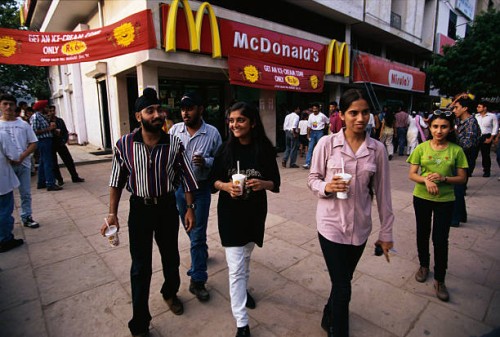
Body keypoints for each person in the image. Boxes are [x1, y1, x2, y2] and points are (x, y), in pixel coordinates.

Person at [100, 88, 198, 337]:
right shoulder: (124, 144)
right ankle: (140, 322)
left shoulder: (174, 144)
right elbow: (116, 179)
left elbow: (187, 178)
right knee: (140, 267)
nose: (157, 114)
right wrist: (112, 214)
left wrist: (189, 208)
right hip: (139, 210)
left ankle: (170, 292)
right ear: (138, 116)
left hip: (166, 207)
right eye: (150, 111)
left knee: (171, 258)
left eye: (159, 110)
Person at [308, 89, 394, 337]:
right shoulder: (326, 144)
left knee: (342, 279)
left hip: (360, 229)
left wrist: (386, 232)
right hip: (330, 225)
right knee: (344, 286)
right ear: (342, 115)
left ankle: (328, 315)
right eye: (353, 113)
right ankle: (338, 330)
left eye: (365, 112)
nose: (360, 118)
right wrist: (327, 186)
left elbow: (383, 195)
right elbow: (312, 179)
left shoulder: (377, 150)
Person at [211, 102, 280, 337]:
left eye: (239, 120)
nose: (234, 125)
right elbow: (213, 181)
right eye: (231, 120)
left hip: (254, 215)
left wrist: (263, 184)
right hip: (230, 216)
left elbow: (275, 183)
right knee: (236, 269)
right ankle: (242, 322)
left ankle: (243, 291)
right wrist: (226, 185)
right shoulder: (224, 150)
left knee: (246, 257)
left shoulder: (264, 149)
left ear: (252, 122)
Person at [407, 110, 468, 302]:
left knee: (440, 239)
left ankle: (440, 279)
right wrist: (426, 180)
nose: (439, 130)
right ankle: (424, 265)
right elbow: (412, 174)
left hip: (445, 200)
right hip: (422, 198)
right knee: (422, 233)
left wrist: (443, 178)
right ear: (430, 127)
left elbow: (462, 178)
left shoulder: (456, 150)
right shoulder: (422, 148)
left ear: (450, 129)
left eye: (443, 127)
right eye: (435, 126)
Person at [169, 92, 222, 302]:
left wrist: (206, 162)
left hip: (200, 189)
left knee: (198, 233)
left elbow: (220, 161)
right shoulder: (174, 131)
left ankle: (197, 280)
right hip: (180, 190)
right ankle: (201, 251)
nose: (185, 113)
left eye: (190, 108)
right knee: (190, 227)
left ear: (200, 109)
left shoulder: (213, 133)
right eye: (183, 109)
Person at [0, 94, 40, 228]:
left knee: (25, 193)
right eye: (5, 104)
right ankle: (6, 223)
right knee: (5, 195)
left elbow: (33, 142)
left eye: (11, 104)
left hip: (23, 164)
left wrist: (22, 157)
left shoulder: (23, 124)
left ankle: (27, 216)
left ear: (15, 106)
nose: (8, 107)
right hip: (5, 167)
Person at [451, 96, 481, 227]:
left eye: (457, 107)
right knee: (459, 189)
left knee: (457, 188)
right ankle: (461, 215)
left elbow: (467, 144)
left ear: (465, 108)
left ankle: (455, 218)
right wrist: (457, 99)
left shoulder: (471, 123)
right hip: (459, 158)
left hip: (464, 159)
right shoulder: (461, 121)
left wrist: (454, 142)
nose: (454, 110)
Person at [0, 126, 24, 253]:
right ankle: (4, 239)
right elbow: (14, 155)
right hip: (2, 179)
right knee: (4, 209)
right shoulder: (2, 134)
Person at [47, 105, 84, 185]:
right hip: (51, 143)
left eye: (53, 110)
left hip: (60, 142)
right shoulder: (46, 121)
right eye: (50, 111)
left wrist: (64, 140)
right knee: (54, 163)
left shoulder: (59, 121)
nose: (52, 112)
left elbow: (65, 131)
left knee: (69, 160)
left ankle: (75, 177)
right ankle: (59, 179)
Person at [30, 100, 62, 191]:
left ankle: (41, 182)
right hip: (43, 141)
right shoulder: (36, 117)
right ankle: (50, 183)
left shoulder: (42, 117)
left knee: (43, 162)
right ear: (42, 108)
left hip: (47, 140)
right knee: (48, 162)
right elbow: (34, 131)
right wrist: (49, 129)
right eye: (46, 107)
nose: (47, 108)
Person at [475, 101, 498, 177]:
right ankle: (469, 171)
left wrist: (491, 138)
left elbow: (495, 127)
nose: (477, 108)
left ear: (485, 108)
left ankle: (486, 171)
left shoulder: (492, 116)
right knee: (473, 154)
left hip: (486, 136)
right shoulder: (476, 116)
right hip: (477, 136)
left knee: (485, 155)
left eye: (479, 107)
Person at [303, 103, 329, 169]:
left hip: (320, 132)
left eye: (316, 109)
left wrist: (323, 128)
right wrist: (308, 134)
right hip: (312, 132)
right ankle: (307, 163)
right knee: (310, 148)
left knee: (319, 148)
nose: (314, 110)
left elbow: (328, 122)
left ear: (318, 109)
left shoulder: (322, 116)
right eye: (313, 109)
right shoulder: (311, 116)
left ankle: (320, 164)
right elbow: (309, 126)